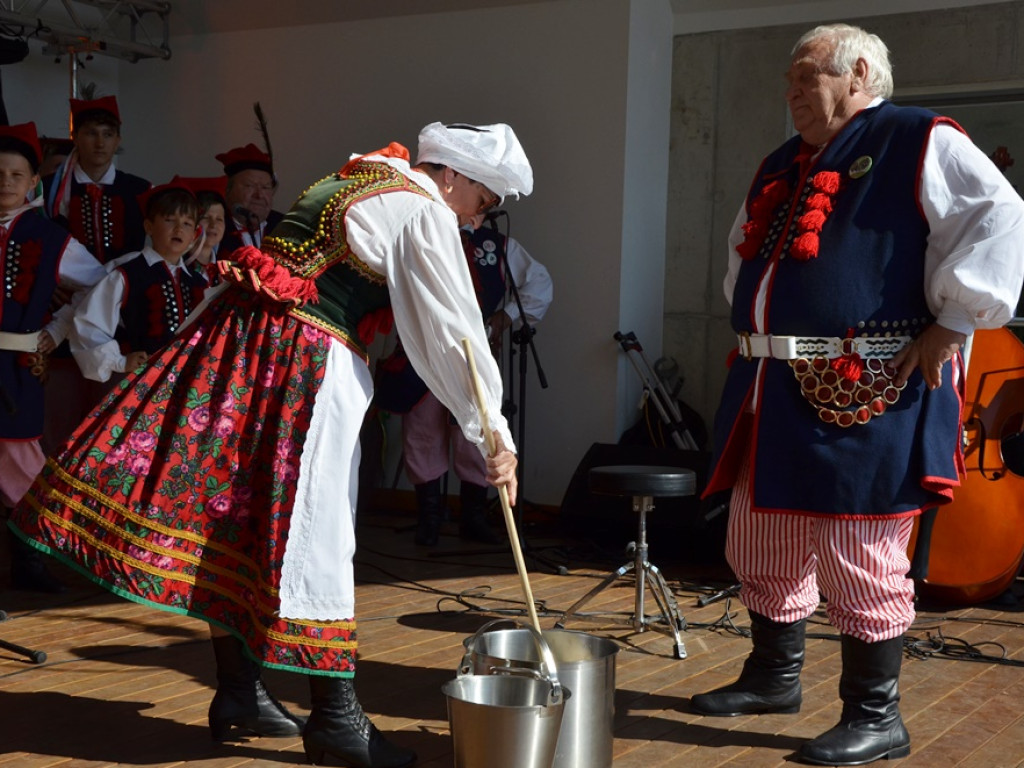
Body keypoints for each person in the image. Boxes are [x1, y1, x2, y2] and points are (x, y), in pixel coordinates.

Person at [10, 121, 531, 768]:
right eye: (484, 198)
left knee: (233, 516)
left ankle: (239, 691)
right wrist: (493, 437)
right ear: (452, 174)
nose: (481, 213)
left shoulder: (353, 177)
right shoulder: (421, 209)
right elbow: (453, 330)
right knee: (318, 533)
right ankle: (335, 720)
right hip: (302, 368)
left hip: (236, 353)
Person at [690, 23, 1024, 767]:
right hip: (767, 385)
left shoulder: (917, 137)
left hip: (866, 383)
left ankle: (877, 716)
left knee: (859, 547)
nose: (791, 95)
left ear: (857, 73)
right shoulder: (783, 161)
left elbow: (998, 215)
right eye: (789, 82)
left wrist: (952, 321)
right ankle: (774, 677)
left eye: (803, 78)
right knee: (758, 535)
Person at [377, 211, 552, 546]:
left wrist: (503, 318)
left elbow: (540, 283)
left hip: (474, 357)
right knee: (422, 433)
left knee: (476, 437)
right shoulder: (417, 236)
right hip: (422, 355)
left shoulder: (499, 246)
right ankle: (428, 518)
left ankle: (472, 517)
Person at [0, 122, 104, 591]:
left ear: (31, 183)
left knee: (22, 459)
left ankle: (30, 560)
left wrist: (57, 330)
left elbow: (102, 284)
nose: (5, 181)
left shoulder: (48, 236)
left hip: (17, 368)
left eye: (15, 174)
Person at [40, 96, 152, 456]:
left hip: (119, 317)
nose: (100, 143)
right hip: (61, 311)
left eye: (108, 134)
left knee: (112, 415)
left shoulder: (139, 189)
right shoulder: (48, 189)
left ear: (118, 140)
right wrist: (49, 288)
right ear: (76, 138)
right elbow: (36, 249)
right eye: (91, 134)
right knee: (59, 409)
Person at [70, 181, 209, 387]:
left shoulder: (199, 283)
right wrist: (120, 361)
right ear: (149, 226)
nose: (179, 228)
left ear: (194, 235)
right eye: (170, 220)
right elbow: (89, 324)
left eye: (187, 223)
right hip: (140, 384)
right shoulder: (128, 274)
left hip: (189, 385)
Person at [216, 143, 284, 254]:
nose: (259, 195)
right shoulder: (215, 227)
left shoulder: (285, 226)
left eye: (265, 187)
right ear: (228, 191)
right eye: (249, 186)